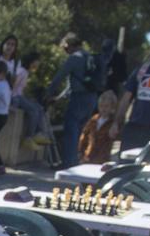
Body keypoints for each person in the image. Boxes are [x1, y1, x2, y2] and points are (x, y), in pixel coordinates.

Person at [49, 32, 102, 170]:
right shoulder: (89, 57)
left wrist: (47, 94)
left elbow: (59, 78)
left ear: (70, 46)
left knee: (71, 131)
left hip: (78, 98)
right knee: (80, 131)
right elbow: (73, 83)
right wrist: (60, 97)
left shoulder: (74, 58)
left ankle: (69, 163)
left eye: (65, 49)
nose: (66, 52)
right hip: (92, 98)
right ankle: (76, 161)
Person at [78, 89, 123, 163]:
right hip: (89, 155)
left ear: (112, 108)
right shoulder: (94, 120)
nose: (103, 109)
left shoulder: (112, 123)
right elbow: (85, 135)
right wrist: (81, 151)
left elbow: (116, 140)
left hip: (104, 158)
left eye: (106, 106)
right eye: (101, 106)